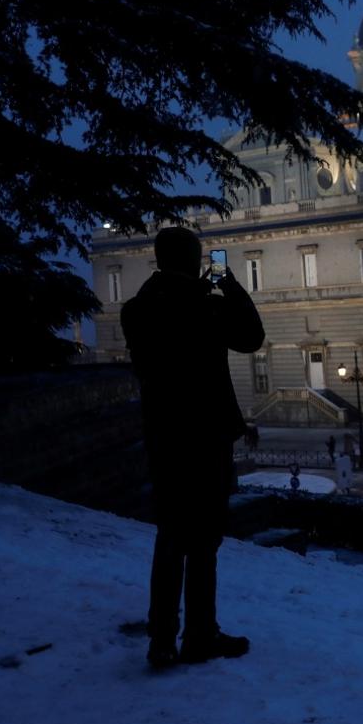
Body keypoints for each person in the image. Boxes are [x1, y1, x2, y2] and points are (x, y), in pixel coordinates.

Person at [122, 226, 264, 669]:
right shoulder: (207, 304)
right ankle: (200, 633)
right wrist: (226, 283)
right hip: (206, 436)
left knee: (169, 538)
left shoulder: (137, 309)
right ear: (194, 259)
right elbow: (251, 337)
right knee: (204, 541)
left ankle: (162, 639)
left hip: (164, 435)